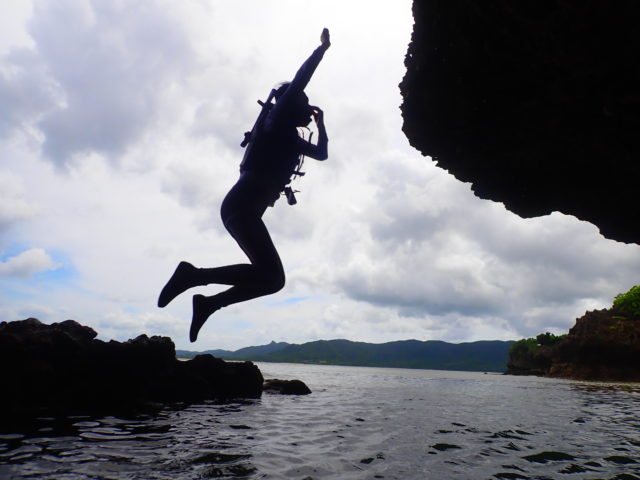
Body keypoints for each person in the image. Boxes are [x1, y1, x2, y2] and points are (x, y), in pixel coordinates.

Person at [158, 28, 331, 342]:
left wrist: (321, 124)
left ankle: (207, 301)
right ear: (288, 105)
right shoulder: (275, 122)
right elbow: (300, 80)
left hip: (245, 209)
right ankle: (193, 277)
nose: (307, 108)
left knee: (271, 279)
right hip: (240, 207)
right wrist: (322, 50)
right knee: (272, 276)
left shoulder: (289, 137)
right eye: (302, 104)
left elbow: (321, 153)